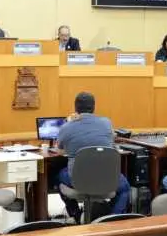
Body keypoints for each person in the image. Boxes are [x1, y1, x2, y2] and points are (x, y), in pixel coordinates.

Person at [56, 92, 130, 222]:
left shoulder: (67, 126)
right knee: (124, 188)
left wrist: (69, 122)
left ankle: (76, 215)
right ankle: (112, 221)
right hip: (106, 178)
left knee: (58, 176)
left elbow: (59, 150)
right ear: (94, 107)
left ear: (76, 108)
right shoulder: (106, 123)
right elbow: (110, 141)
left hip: (78, 181)